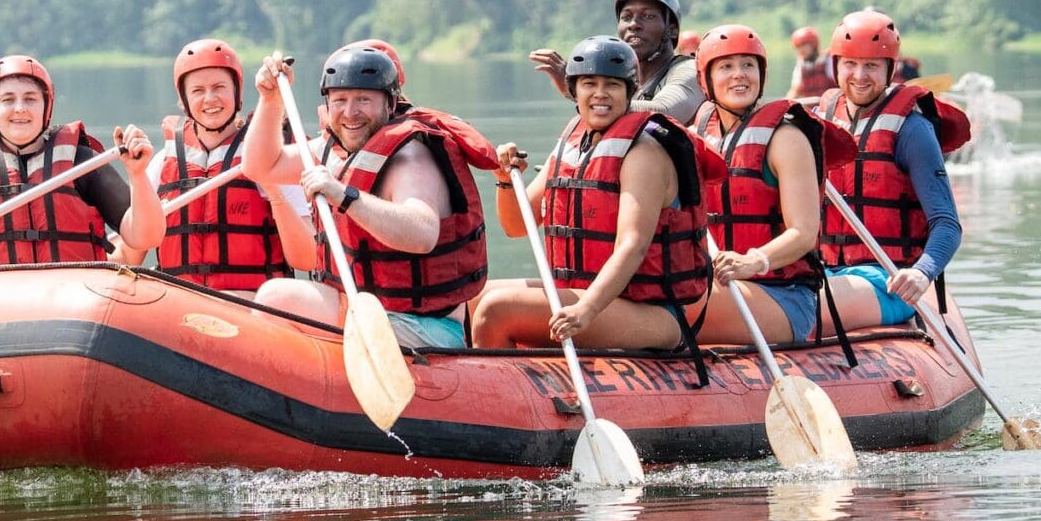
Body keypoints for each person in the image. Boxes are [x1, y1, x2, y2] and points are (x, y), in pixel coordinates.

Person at [244, 45, 494, 348]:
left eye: (364, 99)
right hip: (367, 312)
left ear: (390, 104)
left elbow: (422, 233)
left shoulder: (411, 157)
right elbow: (261, 166)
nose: (350, 112)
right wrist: (270, 100)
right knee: (277, 297)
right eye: (340, 100)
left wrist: (344, 195)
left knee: (278, 297)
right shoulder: (334, 151)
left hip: (423, 327)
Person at [474, 36, 712, 351]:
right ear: (574, 90)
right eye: (589, 84)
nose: (600, 94)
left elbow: (633, 245)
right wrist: (504, 180)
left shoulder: (644, 152)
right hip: (583, 293)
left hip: (651, 311)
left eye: (612, 85)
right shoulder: (574, 142)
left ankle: (504, 396)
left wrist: (587, 310)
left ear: (631, 91)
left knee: (496, 310)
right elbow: (518, 226)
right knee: (473, 297)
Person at [0, 54, 161, 286]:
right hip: (2, 308)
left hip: (77, 300)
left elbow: (145, 238)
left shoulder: (83, 165)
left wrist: (137, 174)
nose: (20, 108)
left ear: (46, 107)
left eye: (30, 99)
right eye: (7, 100)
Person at [689, 23, 858, 347]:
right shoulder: (701, 134)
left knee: (675, 306)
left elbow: (804, 232)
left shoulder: (786, 138)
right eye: (726, 66)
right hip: (728, 286)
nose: (739, 74)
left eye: (748, 65)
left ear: (761, 74)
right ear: (706, 80)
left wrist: (752, 261)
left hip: (785, 297)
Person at [814, 10, 970, 326]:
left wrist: (921, 273)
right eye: (850, 64)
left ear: (890, 70)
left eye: (871, 65)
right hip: (825, 271)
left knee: (803, 308)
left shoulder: (913, 130)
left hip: (888, 279)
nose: (859, 76)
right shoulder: (821, 121)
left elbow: (947, 223)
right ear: (836, 67)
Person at [149, 38, 292, 294]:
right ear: (183, 100)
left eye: (219, 87)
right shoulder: (161, 164)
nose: (210, 99)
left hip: (251, 306)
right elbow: (130, 252)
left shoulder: (268, 156)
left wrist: (274, 191)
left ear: (237, 91)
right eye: (197, 91)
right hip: (180, 307)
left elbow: (306, 260)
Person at [528, 0, 703, 123]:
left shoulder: (688, 71)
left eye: (648, 16)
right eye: (626, 17)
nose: (633, 24)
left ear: (671, 29)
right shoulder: (624, 79)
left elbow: (665, 111)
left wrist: (583, 99)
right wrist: (575, 89)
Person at [786, 26, 834, 101]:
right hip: (811, 111)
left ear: (813, 45)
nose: (801, 50)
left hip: (831, 109)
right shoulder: (801, 66)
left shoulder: (829, 60)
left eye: (803, 45)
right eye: (798, 47)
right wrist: (782, 107)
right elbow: (795, 91)